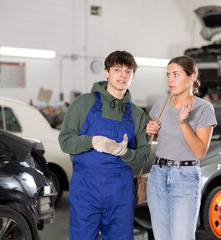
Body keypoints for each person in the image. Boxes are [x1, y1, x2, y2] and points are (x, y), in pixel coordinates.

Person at [58, 50, 151, 240]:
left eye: (128, 72)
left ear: (133, 77)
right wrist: (91, 141)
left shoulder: (137, 114)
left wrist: (125, 153)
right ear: (107, 72)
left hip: (121, 190)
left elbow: (143, 155)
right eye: (118, 70)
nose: (123, 75)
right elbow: (65, 141)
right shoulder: (84, 104)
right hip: (86, 187)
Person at [146, 55, 217, 240]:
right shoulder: (161, 102)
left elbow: (200, 151)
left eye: (176, 75)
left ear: (191, 77)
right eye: (168, 75)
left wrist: (184, 123)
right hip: (157, 175)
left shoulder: (204, 108)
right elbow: (158, 138)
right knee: (161, 237)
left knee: (182, 237)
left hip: (185, 177)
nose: (170, 80)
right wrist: (150, 130)